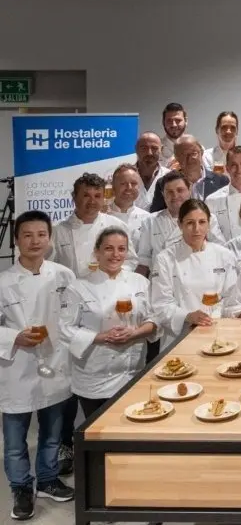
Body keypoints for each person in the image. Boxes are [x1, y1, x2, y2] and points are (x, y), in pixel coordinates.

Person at [0, 211, 76, 520]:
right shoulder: (3, 281)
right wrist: (14, 336)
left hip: (56, 364)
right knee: (16, 438)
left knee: (52, 431)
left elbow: (75, 317)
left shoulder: (63, 275)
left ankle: (46, 480)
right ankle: (20, 487)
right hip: (16, 367)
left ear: (49, 238)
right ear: (16, 240)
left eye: (41, 234)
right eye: (27, 235)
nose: (35, 241)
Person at [59, 228, 156, 418]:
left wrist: (135, 333)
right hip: (94, 375)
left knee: (130, 428)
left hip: (132, 372)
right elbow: (64, 328)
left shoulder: (140, 282)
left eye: (121, 249)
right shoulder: (79, 287)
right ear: (97, 252)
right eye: (109, 248)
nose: (115, 254)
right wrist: (100, 337)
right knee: (98, 433)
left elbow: (154, 319)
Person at [150, 200, 239, 350]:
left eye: (202, 222)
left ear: (209, 224)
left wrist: (213, 317)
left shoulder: (224, 255)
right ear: (180, 225)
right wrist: (187, 316)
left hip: (218, 333)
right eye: (190, 223)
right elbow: (161, 304)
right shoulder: (165, 259)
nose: (197, 229)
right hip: (178, 338)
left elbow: (231, 298)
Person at [136, 171, 226, 276]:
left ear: (189, 190)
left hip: (199, 276)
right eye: (169, 192)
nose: (175, 196)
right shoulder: (150, 221)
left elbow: (221, 251)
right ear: (162, 194)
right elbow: (144, 260)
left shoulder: (206, 218)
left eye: (180, 190)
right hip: (162, 279)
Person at [49, 173, 128, 278]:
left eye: (97, 196)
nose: (92, 201)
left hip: (107, 289)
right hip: (70, 291)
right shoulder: (57, 230)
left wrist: (113, 278)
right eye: (86, 195)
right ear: (74, 197)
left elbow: (130, 261)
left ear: (103, 198)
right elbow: (48, 266)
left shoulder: (116, 225)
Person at [150, 134, 228, 210]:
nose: (189, 158)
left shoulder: (221, 181)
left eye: (193, 153)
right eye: (183, 154)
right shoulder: (163, 183)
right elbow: (156, 216)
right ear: (176, 158)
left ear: (202, 152)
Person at [106, 164, 151, 272]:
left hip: (139, 278)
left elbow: (148, 255)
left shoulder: (147, 218)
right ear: (113, 186)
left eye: (134, 184)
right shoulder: (102, 216)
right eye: (123, 184)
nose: (129, 188)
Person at [133, 132, 170, 211]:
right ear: (136, 149)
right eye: (144, 148)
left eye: (154, 148)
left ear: (161, 150)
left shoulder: (169, 176)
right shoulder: (124, 176)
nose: (149, 153)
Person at [159, 103, 187, 168]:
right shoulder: (154, 149)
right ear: (163, 122)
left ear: (186, 121)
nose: (173, 125)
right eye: (169, 121)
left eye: (178, 120)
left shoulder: (197, 149)